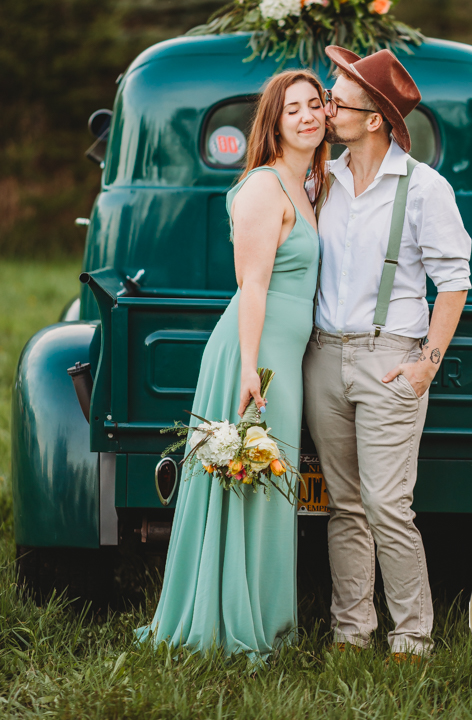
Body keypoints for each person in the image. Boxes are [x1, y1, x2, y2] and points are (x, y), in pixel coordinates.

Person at [138, 69, 327, 658]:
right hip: (255, 353)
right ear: (273, 123)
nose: (307, 116)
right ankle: (226, 622)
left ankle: (266, 618)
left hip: (285, 355)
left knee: (271, 489)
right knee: (249, 480)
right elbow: (253, 286)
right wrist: (249, 366)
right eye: (292, 108)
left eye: (315, 104)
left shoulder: (308, 186)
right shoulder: (263, 188)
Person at [303, 45, 472, 659]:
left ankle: (412, 637)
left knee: (386, 504)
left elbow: (454, 280)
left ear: (374, 118)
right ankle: (351, 632)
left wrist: (427, 360)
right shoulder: (323, 178)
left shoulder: (426, 189)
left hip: (392, 357)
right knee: (343, 505)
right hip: (323, 357)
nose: (326, 108)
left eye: (336, 100)